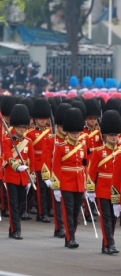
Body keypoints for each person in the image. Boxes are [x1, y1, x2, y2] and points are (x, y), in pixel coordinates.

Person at [52, 108, 87, 249]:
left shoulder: (82, 147)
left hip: (79, 182)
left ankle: (71, 234)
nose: (75, 135)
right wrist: (56, 186)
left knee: (76, 212)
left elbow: (85, 165)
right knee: (68, 210)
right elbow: (55, 167)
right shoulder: (60, 147)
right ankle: (70, 238)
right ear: (67, 132)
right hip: (66, 183)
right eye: (73, 132)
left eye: (77, 132)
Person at [90, 110, 121, 254]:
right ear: (105, 136)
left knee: (113, 220)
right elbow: (92, 171)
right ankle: (110, 244)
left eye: (115, 135)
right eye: (111, 135)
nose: (114, 138)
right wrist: (90, 189)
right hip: (102, 188)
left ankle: (106, 244)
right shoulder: (98, 151)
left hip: (116, 191)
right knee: (106, 218)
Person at [2, 104, 34, 240]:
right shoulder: (7, 140)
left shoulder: (28, 142)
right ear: (14, 127)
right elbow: (8, 156)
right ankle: (16, 230)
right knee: (13, 205)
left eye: (24, 127)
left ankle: (12, 229)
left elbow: (31, 161)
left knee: (21, 204)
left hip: (23, 178)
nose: (22, 129)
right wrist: (16, 166)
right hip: (12, 176)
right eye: (20, 127)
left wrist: (30, 176)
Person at [41, 103, 71, 238]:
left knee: (69, 206)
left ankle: (65, 227)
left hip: (70, 176)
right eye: (62, 126)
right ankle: (60, 227)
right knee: (58, 204)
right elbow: (45, 159)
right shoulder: (51, 140)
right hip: (56, 175)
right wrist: (47, 176)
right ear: (57, 126)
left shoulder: (73, 141)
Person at [25, 98, 52, 223]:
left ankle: (48, 209)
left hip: (48, 165)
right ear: (35, 119)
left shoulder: (51, 132)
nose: (43, 121)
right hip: (37, 165)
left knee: (48, 191)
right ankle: (41, 213)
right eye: (40, 118)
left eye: (45, 118)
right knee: (40, 191)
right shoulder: (30, 133)